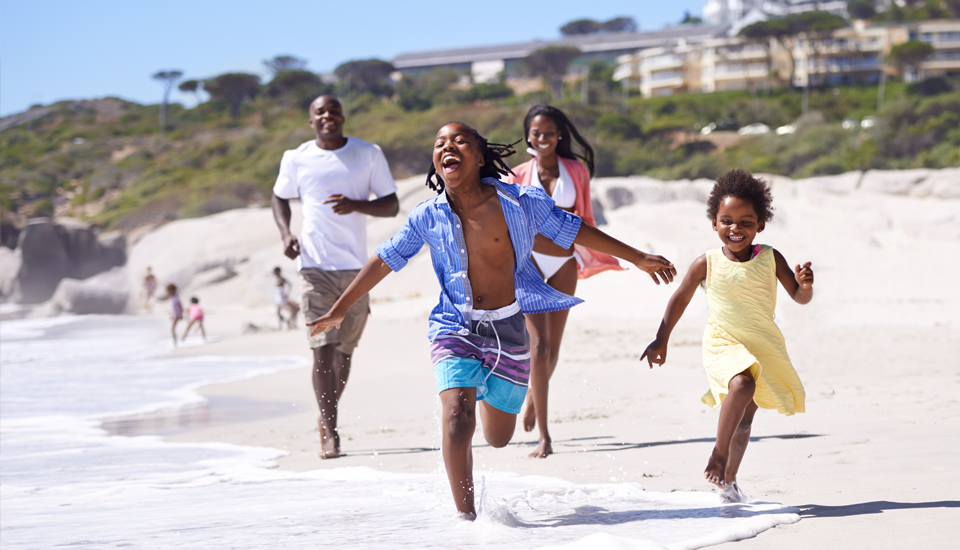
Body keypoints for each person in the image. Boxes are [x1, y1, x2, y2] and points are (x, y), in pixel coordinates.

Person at [307, 122, 676, 519]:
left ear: (480, 157)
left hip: (509, 329)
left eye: (460, 140)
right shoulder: (426, 216)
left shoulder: (520, 202)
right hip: (454, 327)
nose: (448, 146)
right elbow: (384, 259)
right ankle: (467, 520)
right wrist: (341, 307)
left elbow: (573, 230)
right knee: (455, 418)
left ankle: (478, 393)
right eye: (440, 143)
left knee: (498, 438)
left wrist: (637, 257)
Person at [640, 169, 814, 504]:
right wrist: (661, 338)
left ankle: (729, 482)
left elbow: (799, 297)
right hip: (722, 342)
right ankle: (718, 456)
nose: (736, 229)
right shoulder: (705, 262)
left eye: (746, 222)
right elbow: (679, 298)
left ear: (761, 224)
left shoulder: (770, 258)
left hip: (762, 344)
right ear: (714, 223)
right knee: (741, 386)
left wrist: (804, 285)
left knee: (746, 421)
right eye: (727, 221)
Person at [271, 95, 400, 459]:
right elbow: (279, 197)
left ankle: (325, 414)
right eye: (320, 112)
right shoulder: (296, 158)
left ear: (343, 116)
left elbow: (390, 205)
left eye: (334, 110)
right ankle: (330, 431)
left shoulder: (368, 153)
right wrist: (286, 234)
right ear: (311, 121)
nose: (328, 116)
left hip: (357, 270)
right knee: (322, 351)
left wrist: (356, 204)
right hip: (314, 267)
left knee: (344, 352)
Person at [506, 104, 624, 458]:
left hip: (563, 263)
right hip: (528, 265)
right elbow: (514, 223)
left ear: (560, 136)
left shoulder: (576, 170)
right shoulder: (516, 175)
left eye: (549, 133)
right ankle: (544, 435)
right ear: (528, 135)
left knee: (553, 349)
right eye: (536, 133)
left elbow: (584, 218)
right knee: (537, 347)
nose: (543, 139)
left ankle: (532, 397)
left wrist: (592, 248)